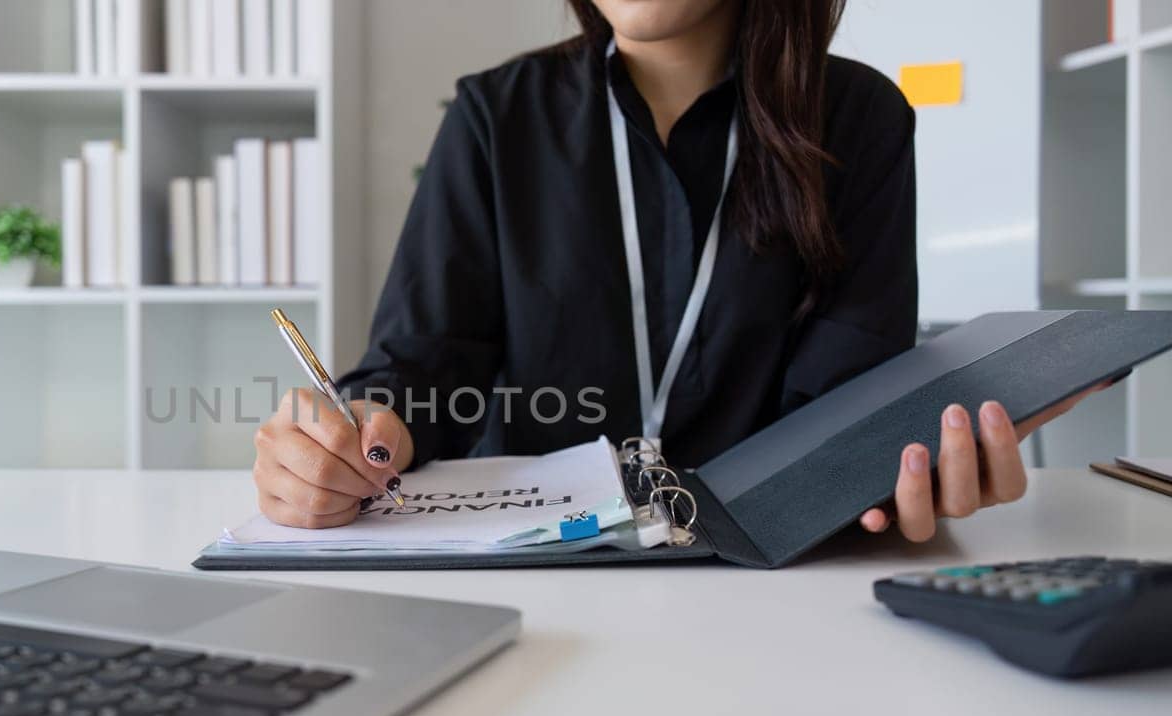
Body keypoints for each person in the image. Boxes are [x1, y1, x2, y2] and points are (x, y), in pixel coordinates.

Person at [251, 0, 1096, 541]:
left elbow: (851, 401)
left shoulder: (860, 118)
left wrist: (914, 453)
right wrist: (353, 436)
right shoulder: (495, 117)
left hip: (779, 595)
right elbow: (424, 367)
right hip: (544, 582)